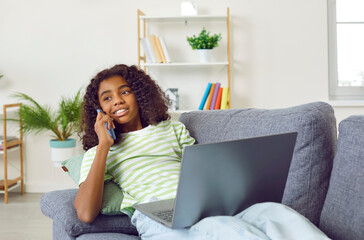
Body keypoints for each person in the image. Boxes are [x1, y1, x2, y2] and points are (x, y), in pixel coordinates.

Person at [74, 64, 330, 240]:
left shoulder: (171, 130)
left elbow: (203, 171)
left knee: (274, 212)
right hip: (157, 214)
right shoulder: (100, 152)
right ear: (99, 109)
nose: (117, 100)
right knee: (220, 228)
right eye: (107, 98)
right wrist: (104, 145)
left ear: (138, 96)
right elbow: (85, 213)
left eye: (125, 92)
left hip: (204, 205)